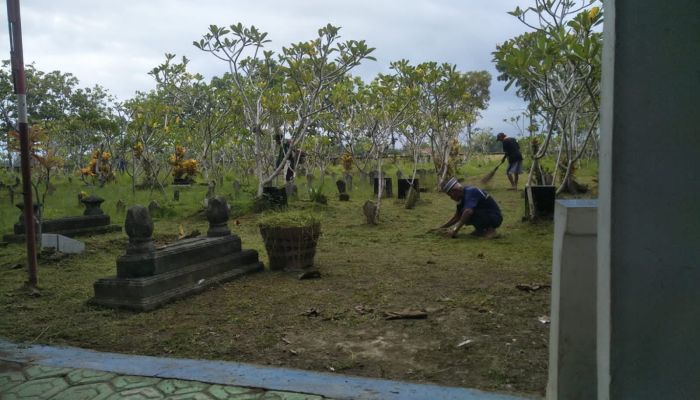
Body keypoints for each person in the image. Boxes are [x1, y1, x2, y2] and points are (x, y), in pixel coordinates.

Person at [436, 177, 503, 238]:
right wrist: (441, 228)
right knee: (464, 214)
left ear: (455, 190)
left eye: (450, 195)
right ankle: (480, 231)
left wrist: (454, 230)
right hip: (485, 214)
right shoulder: (462, 198)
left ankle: (491, 230)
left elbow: (468, 211)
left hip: (494, 217)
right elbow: (457, 217)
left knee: (467, 213)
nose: (451, 198)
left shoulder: (471, 191)